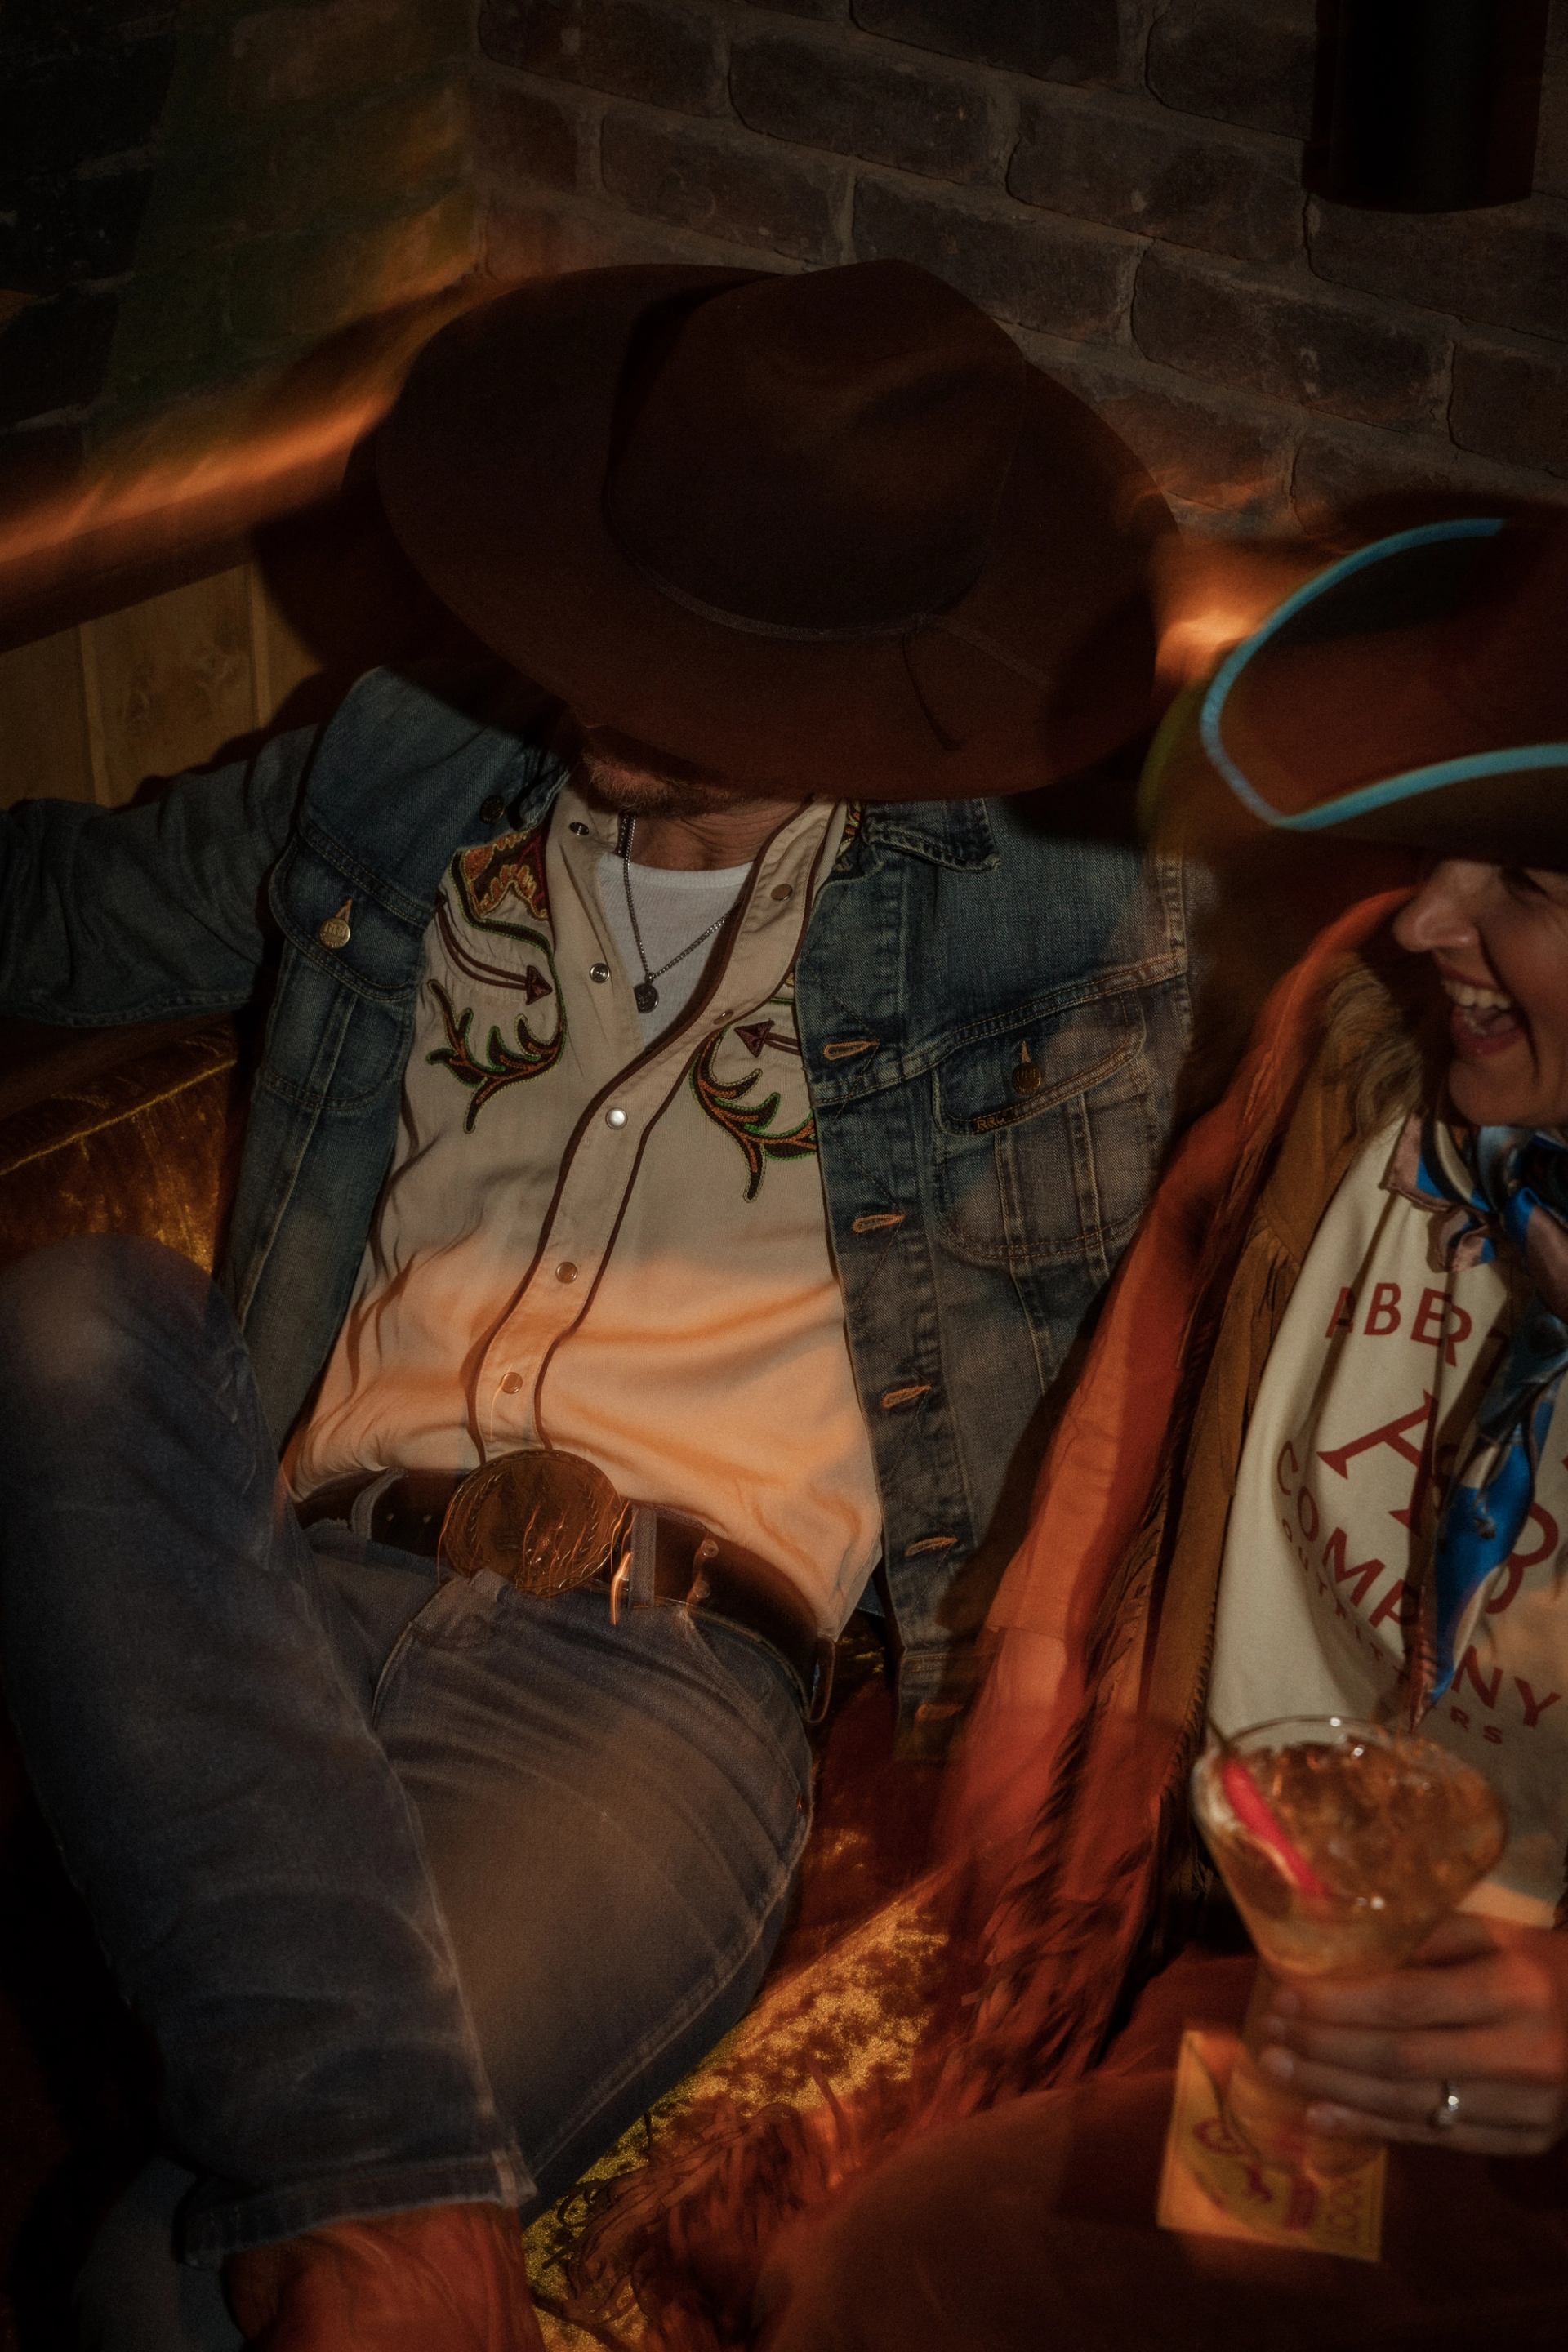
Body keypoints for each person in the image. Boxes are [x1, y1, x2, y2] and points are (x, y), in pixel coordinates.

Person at [0, 258, 1184, 2350]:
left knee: (150, 2287)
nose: (607, 689)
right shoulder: (406, 766)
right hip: (272, 1603)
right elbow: (66, 912)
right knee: (77, 1324)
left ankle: (374, 2237)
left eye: (710, 661)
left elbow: (1219, 1268)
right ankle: (409, 2248)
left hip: (653, 1694)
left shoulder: (1039, 913)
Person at [737, 514, 1568, 2352]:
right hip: (1260, 1957)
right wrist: (1038, 1652)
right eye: (1442, 856)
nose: (1429, 917)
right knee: (877, 2278)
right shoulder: (1377, 1022)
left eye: (1524, 883)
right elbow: (1181, 1286)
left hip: (1523, 2105)